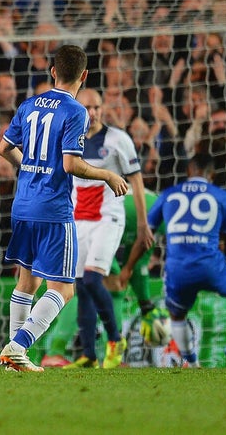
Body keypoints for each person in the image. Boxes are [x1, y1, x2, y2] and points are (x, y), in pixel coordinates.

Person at [0, 44, 129, 372]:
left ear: (53, 71)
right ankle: (18, 347)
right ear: (84, 76)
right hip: (53, 209)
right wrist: (107, 174)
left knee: (26, 283)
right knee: (64, 289)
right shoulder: (75, 111)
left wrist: (29, 168)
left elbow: (3, 148)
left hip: (23, 204)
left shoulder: (28, 106)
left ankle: (16, 356)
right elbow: (71, 164)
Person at [123, 153, 226, 367]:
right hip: (210, 265)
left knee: (177, 314)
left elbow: (145, 236)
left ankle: (191, 363)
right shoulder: (222, 197)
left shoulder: (167, 195)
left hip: (176, 268)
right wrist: (219, 250)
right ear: (212, 175)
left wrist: (128, 268)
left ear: (188, 171)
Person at [63, 88, 154, 369]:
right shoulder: (67, 139)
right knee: (81, 285)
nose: (92, 113)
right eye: (87, 107)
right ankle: (89, 354)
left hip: (108, 218)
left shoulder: (118, 140)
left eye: (97, 107)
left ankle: (115, 340)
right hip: (79, 220)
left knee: (92, 279)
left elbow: (136, 180)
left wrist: (142, 223)